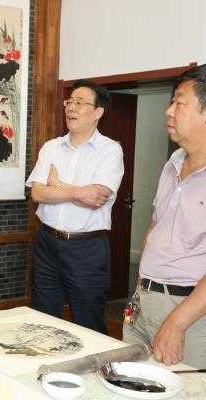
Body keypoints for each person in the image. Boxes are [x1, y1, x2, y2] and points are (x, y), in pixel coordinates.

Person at [123, 65, 206, 368]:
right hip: (144, 299)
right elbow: (157, 224)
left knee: (184, 387)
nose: (169, 111)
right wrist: (142, 288)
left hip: (189, 311)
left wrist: (177, 322)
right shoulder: (173, 162)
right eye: (170, 102)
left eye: (179, 103)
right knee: (130, 382)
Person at [26, 79, 124, 333]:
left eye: (80, 102)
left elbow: (96, 197)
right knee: (43, 320)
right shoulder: (51, 147)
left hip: (86, 248)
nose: (71, 107)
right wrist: (78, 192)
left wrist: (58, 185)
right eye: (69, 101)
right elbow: (37, 193)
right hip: (48, 243)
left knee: (88, 322)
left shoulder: (110, 150)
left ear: (98, 112)